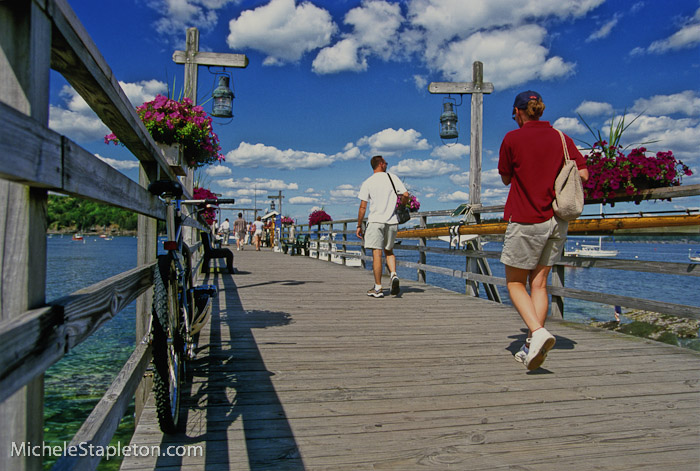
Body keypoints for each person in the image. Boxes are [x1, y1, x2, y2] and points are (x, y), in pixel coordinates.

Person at [498, 90, 588, 371]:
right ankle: (530, 346)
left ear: (518, 111)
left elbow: (505, 178)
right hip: (557, 220)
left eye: (514, 112)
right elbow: (582, 173)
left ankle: (537, 333)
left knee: (515, 283)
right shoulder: (562, 138)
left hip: (526, 218)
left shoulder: (512, 139)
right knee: (539, 284)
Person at [356, 155, 409, 298]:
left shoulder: (367, 182)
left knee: (377, 254)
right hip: (392, 221)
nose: (387, 164)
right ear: (380, 164)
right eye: (385, 162)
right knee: (389, 251)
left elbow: (362, 207)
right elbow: (405, 194)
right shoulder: (392, 178)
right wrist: (402, 206)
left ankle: (378, 288)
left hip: (375, 221)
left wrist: (359, 225)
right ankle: (393, 274)